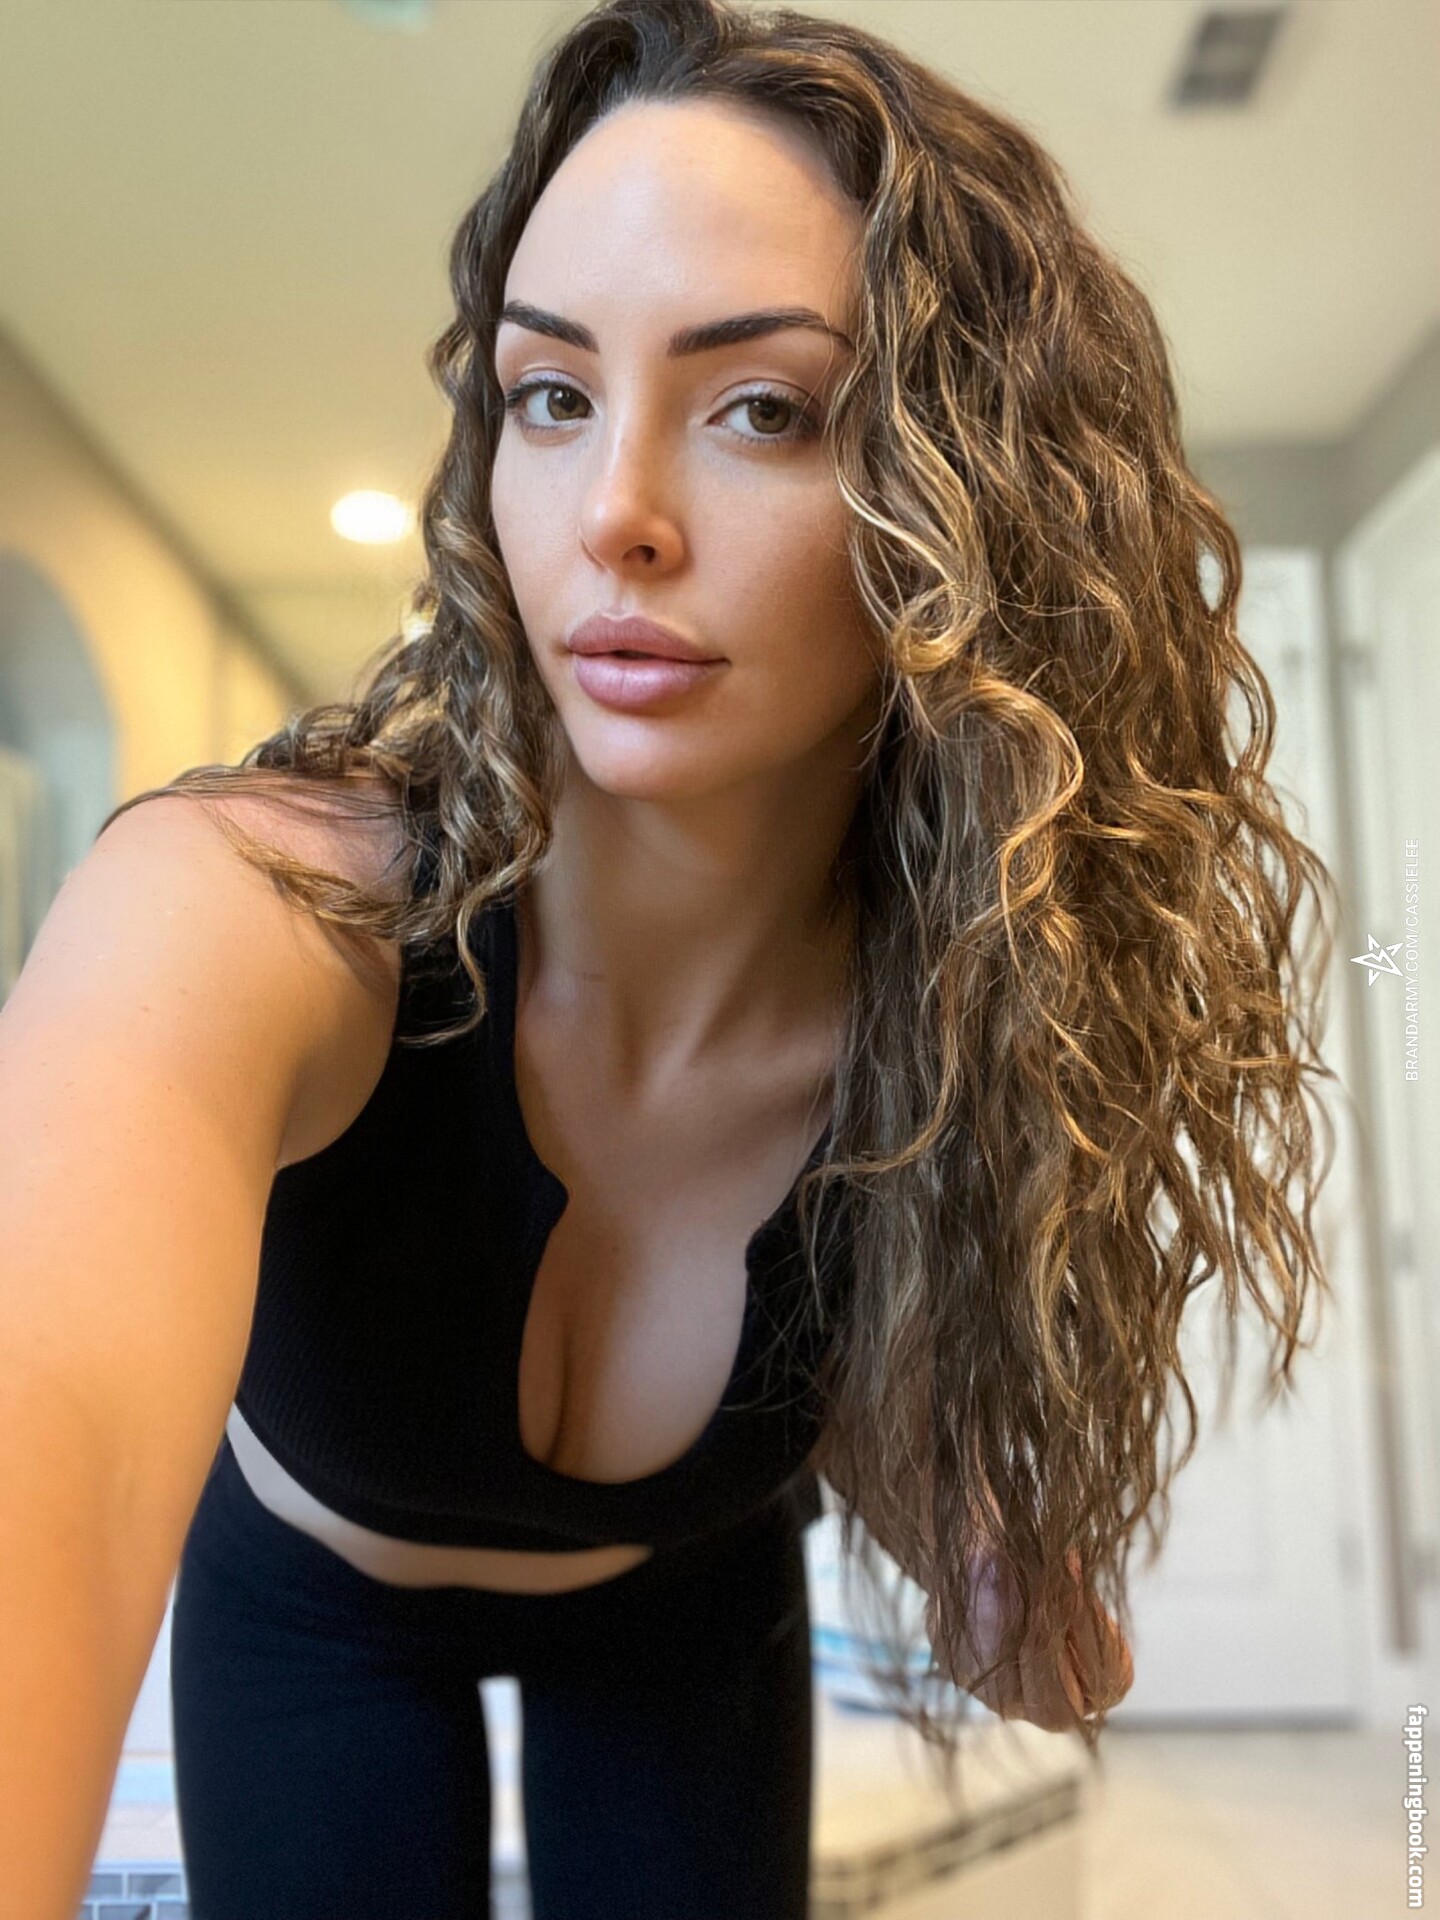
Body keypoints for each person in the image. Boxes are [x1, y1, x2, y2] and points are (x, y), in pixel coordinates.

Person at [0, 1, 1340, 1915]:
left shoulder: (970, 1010)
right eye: (550, 395)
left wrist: (987, 1531)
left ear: (973, 516)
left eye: (763, 408)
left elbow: (948, 1511)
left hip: (687, 1612)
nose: (612, 515)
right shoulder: (240, 914)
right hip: (310, 1608)